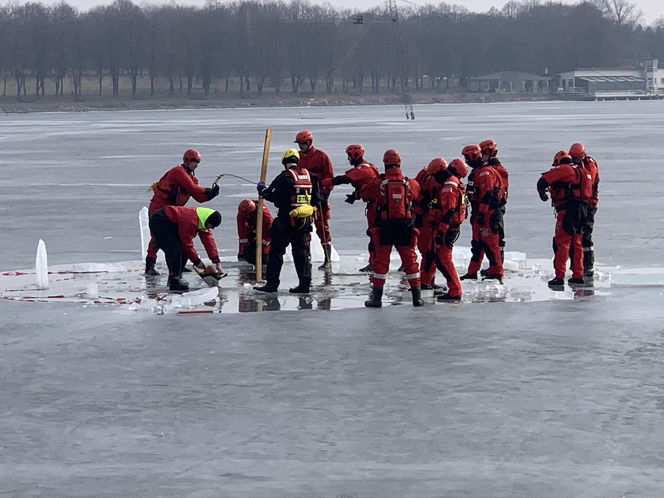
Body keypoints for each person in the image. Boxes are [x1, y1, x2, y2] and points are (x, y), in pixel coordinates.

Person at [363, 148, 423, 308]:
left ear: (385, 164)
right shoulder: (410, 183)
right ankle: (417, 297)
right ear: (399, 163)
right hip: (405, 227)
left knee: (381, 262)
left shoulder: (378, 183)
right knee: (410, 260)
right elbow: (418, 196)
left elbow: (365, 194)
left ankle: (377, 299)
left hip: (385, 228)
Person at [145, 149, 219, 276]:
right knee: (157, 238)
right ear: (186, 160)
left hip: (173, 213)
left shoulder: (192, 179)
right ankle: (150, 265)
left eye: (198, 162)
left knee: (179, 240)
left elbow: (199, 197)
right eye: (194, 161)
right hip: (158, 209)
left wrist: (211, 195)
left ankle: (178, 264)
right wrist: (207, 190)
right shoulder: (178, 172)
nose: (196, 164)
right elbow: (191, 188)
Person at [254, 148, 317, 294]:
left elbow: (273, 196)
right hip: (304, 221)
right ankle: (305, 284)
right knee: (301, 253)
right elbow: (317, 198)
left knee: (276, 252)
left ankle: (272, 284)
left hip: (285, 221)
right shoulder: (310, 176)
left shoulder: (285, 176)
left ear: (284, 162)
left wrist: (262, 191)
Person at [323, 144, 380, 273]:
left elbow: (344, 179)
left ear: (355, 155)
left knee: (374, 234)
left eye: (349, 156)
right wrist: (355, 196)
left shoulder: (362, 169)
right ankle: (376, 262)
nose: (348, 159)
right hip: (376, 204)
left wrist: (324, 182)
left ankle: (374, 263)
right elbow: (367, 185)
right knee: (377, 234)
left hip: (376, 207)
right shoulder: (370, 167)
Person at [537, 150, 590, 287]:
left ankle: (559, 276)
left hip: (568, 210)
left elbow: (542, 182)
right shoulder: (582, 171)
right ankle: (578, 274)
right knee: (577, 242)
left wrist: (543, 194)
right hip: (583, 210)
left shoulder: (564, 169)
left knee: (563, 241)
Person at [148, 206, 223, 291]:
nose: (211, 228)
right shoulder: (191, 221)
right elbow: (186, 244)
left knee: (184, 251)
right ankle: (174, 281)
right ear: (208, 221)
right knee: (175, 249)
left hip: (171, 222)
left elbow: (209, 242)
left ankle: (176, 277)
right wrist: (197, 261)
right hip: (160, 221)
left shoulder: (203, 221)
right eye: (211, 226)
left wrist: (217, 261)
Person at [460, 144, 504, 282]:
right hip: (479, 213)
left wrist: (482, 213)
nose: (466, 161)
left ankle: (496, 270)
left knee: (490, 243)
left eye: (467, 158)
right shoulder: (478, 172)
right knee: (477, 243)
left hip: (488, 214)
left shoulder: (485, 173)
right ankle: (472, 271)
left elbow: (488, 194)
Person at [429, 158, 469, 301]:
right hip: (450, 227)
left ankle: (455, 290)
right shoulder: (452, 183)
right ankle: (454, 288)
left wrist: (441, 232)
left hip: (447, 228)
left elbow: (448, 211)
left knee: (444, 259)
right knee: (442, 259)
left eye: (434, 175)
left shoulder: (448, 187)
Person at [295, 130, 335, 269]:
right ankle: (307, 256)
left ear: (309, 142)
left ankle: (327, 258)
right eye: (299, 144)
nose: (300, 146)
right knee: (304, 227)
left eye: (302, 143)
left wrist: (324, 195)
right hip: (304, 198)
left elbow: (330, 178)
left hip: (318, 198)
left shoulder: (321, 156)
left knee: (322, 227)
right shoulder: (298, 157)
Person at [415, 158, 449, 293]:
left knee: (431, 253)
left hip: (425, 220)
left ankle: (428, 281)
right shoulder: (431, 181)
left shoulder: (425, 178)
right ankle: (425, 282)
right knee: (429, 253)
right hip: (426, 221)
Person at [569, 142, 600, 277]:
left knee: (585, 235)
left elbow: (587, 184)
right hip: (578, 205)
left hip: (588, 205)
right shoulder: (577, 165)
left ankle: (587, 266)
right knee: (575, 235)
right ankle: (577, 265)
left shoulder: (590, 166)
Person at [480, 138, 509, 265]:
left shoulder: (496, 170)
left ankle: (498, 265)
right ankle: (496, 264)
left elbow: (492, 190)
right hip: (494, 206)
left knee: (496, 234)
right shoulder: (493, 168)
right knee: (493, 234)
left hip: (495, 207)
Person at [236, 199, 273, 266]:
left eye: (247, 215)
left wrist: (262, 246)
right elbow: (242, 232)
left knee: (264, 258)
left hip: (264, 235)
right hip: (251, 232)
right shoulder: (241, 214)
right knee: (243, 256)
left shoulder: (265, 216)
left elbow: (268, 234)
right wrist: (245, 247)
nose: (246, 217)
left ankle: (264, 273)